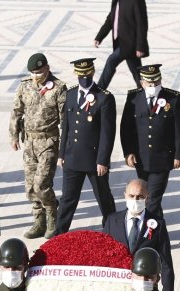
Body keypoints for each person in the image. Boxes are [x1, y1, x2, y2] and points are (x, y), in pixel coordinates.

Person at [55, 58, 117, 235]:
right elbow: (65, 126)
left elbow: (107, 133)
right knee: (68, 199)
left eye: (88, 74)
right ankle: (59, 234)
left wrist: (103, 161)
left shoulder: (104, 97)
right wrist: (61, 154)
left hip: (94, 160)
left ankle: (113, 231)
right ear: (76, 74)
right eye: (81, 75)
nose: (85, 78)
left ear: (93, 72)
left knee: (103, 198)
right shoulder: (71, 94)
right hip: (72, 157)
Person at [9, 53, 67, 239]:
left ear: (47, 69)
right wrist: (14, 135)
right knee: (30, 187)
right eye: (33, 72)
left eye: (39, 72)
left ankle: (51, 215)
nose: (36, 75)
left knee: (42, 184)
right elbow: (17, 111)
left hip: (48, 142)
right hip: (30, 143)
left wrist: (64, 148)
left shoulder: (58, 88)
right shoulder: (25, 86)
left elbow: (65, 120)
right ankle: (38, 220)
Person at [120, 64, 180, 217]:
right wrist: (128, 152)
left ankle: (148, 231)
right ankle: (157, 229)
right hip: (141, 157)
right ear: (142, 82)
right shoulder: (134, 97)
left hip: (163, 157)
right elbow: (126, 128)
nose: (153, 86)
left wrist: (179, 155)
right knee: (145, 196)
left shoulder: (173, 98)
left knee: (153, 199)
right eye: (149, 83)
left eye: (156, 82)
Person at [103, 179, 174, 291]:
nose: (135, 200)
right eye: (131, 196)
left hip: (146, 286)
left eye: (140, 196)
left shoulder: (158, 224)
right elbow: (103, 254)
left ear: (147, 197)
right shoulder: (112, 220)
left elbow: (165, 260)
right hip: (119, 285)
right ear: (125, 195)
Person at [94, 0, 149, 89]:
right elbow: (110, 19)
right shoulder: (117, 1)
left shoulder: (136, 1)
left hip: (130, 44)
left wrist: (140, 46)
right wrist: (99, 37)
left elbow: (141, 24)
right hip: (120, 43)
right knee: (137, 72)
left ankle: (100, 89)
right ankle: (144, 92)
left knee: (111, 61)